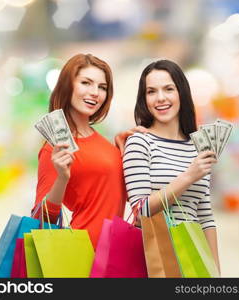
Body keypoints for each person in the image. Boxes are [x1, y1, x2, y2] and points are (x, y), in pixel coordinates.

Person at [33, 53, 142, 249]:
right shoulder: (55, 149)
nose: (95, 92)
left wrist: (123, 152)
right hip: (83, 252)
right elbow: (42, 219)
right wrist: (62, 178)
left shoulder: (108, 145)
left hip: (115, 251)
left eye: (102, 87)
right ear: (68, 86)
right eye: (86, 83)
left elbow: (114, 194)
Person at [122, 59, 220, 273]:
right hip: (154, 258)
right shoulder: (140, 142)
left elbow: (205, 215)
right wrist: (188, 176)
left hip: (193, 256)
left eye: (168, 89)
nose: (160, 98)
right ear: (144, 99)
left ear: (181, 93)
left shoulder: (198, 146)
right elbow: (140, 211)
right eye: (151, 91)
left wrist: (215, 273)